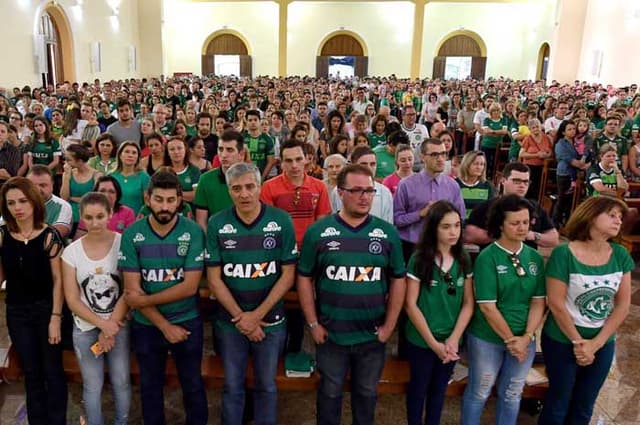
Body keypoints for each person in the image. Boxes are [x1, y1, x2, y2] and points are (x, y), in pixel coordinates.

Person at [297, 164, 407, 425]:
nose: (364, 196)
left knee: (367, 395)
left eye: (369, 190)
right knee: (329, 394)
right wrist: (312, 324)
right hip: (331, 335)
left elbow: (398, 280)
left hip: (372, 336)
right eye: (356, 190)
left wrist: (389, 326)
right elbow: (304, 277)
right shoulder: (319, 232)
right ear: (340, 192)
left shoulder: (388, 233)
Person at [206, 162, 297, 425]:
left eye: (249, 187)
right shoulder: (217, 223)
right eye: (236, 188)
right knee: (232, 386)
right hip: (230, 323)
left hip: (271, 322)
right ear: (230, 191)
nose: (244, 194)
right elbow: (214, 279)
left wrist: (256, 316)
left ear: (259, 187)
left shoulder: (280, 221)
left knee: (266, 385)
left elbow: (287, 274)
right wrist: (242, 318)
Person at [119, 171, 208, 425]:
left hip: (187, 321)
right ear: (147, 199)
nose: (165, 206)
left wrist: (143, 302)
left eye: (171, 200)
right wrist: (164, 326)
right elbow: (131, 289)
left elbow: (189, 287)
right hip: (148, 326)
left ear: (180, 200)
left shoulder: (192, 231)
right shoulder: (132, 234)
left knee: (192, 384)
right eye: (159, 199)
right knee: (150, 386)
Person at [538, 196, 632, 424]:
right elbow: (557, 304)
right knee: (559, 401)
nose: (618, 221)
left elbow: (622, 305)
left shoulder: (620, 255)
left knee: (585, 402)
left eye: (620, 217)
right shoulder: (564, 254)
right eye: (611, 215)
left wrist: (596, 344)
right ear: (590, 216)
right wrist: (579, 343)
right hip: (562, 338)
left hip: (602, 340)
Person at [461, 194, 546, 425]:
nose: (521, 228)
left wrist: (526, 337)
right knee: (480, 391)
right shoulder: (487, 257)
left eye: (526, 222)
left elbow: (539, 302)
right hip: (488, 338)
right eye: (514, 223)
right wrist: (511, 340)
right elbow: (487, 307)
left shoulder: (534, 258)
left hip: (523, 338)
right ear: (500, 224)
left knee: (512, 393)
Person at [0, 177, 67, 425]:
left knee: (53, 371)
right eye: (11, 203)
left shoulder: (49, 236)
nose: (17, 207)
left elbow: (59, 280)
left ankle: (58, 420)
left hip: (47, 309)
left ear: (33, 202)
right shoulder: (2, 236)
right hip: (17, 312)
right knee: (31, 371)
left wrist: (56, 318)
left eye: (22, 201)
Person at [61, 192, 131, 425]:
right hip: (85, 328)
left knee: (121, 380)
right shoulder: (71, 252)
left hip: (118, 323)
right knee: (92, 385)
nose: (95, 223)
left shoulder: (124, 242)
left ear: (110, 214)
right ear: (81, 218)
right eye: (89, 217)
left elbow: (128, 289)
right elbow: (72, 298)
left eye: (100, 216)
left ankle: (121, 422)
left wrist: (111, 328)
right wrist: (103, 326)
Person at [404, 201, 474, 425]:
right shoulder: (419, 259)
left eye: (456, 225)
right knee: (418, 389)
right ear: (433, 227)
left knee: (439, 391)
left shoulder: (463, 259)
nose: (453, 231)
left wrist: (453, 338)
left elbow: (468, 304)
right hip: (422, 340)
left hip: (450, 342)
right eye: (446, 226)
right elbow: (410, 304)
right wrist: (434, 344)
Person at [394, 138, 466, 261]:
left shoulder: (453, 185)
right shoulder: (406, 185)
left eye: (443, 154)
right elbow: (396, 219)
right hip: (412, 247)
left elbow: (461, 217)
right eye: (434, 154)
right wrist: (420, 213)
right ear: (422, 157)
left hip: (443, 247)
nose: (440, 158)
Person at [465, 162, 559, 250]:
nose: (522, 185)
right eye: (517, 181)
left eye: (526, 182)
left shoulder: (535, 207)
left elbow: (553, 238)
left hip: (526, 260)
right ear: (503, 180)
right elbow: (469, 234)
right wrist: (502, 235)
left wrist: (532, 235)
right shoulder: (486, 207)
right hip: (494, 259)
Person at [195, 129, 246, 231]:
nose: (224, 154)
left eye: (230, 150)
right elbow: (201, 221)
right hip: (216, 238)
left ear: (241, 154)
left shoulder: (252, 179)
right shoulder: (205, 179)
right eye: (221, 149)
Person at [330, 146, 394, 223]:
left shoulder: (385, 192)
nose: (369, 168)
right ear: (353, 164)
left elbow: (388, 224)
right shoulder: (339, 191)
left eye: (373, 164)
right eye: (364, 164)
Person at [553, 120, 590, 227]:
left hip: (576, 174)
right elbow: (572, 161)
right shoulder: (560, 144)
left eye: (574, 129)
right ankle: (555, 222)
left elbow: (583, 155)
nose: (573, 131)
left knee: (571, 201)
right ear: (563, 132)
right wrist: (584, 166)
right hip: (565, 174)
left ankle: (568, 223)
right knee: (562, 199)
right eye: (569, 129)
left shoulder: (577, 142)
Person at [60, 144, 102, 235]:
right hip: (70, 218)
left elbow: (94, 200)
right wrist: (66, 177)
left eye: (68, 160)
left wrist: (72, 198)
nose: (65, 163)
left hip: (88, 218)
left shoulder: (97, 175)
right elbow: (64, 198)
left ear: (79, 161)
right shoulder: (68, 174)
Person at [27, 165, 73, 238]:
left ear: (52, 184)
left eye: (43, 185)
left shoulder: (63, 206)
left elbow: (56, 234)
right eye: (32, 185)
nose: (37, 190)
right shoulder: (16, 203)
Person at [110, 141, 151, 215]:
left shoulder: (144, 177)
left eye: (134, 153)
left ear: (138, 157)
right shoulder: (110, 176)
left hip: (137, 220)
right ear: (120, 155)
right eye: (127, 152)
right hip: (113, 219)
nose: (130, 155)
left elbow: (148, 203)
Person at [455, 150, 495, 220]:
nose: (479, 167)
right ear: (466, 165)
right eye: (475, 164)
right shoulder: (455, 184)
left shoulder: (488, 186)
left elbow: (491, 210)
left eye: (482, 164)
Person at [520, 118, 553, 200]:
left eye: (537, 127)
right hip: (529, 167)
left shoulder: (546, 138)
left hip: (542, 167)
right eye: (533, 127)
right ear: (530, 129)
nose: (536, 129)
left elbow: (550, 152)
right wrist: (536, 155)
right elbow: (521, 154)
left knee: (539, 189)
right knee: (529, 189)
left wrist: (546, 155)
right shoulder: (528, 139)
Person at [164, 136, 201, 203]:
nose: (176, 152)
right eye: (172, 149)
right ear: (168, 153)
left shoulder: (194, 171)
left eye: (179, 148)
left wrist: (172, 194)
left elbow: (196, 195)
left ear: (185, 150)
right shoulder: (163, 171)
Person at [245, 109, 277, 181]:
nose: (253, 122)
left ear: (259, 122)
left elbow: (270, 162)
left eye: (255, 120)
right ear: (246, 122)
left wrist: (261, 179)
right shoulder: (242, 138)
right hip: (244, 177)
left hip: (262, 177)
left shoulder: (267, 139)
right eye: (250, 120)